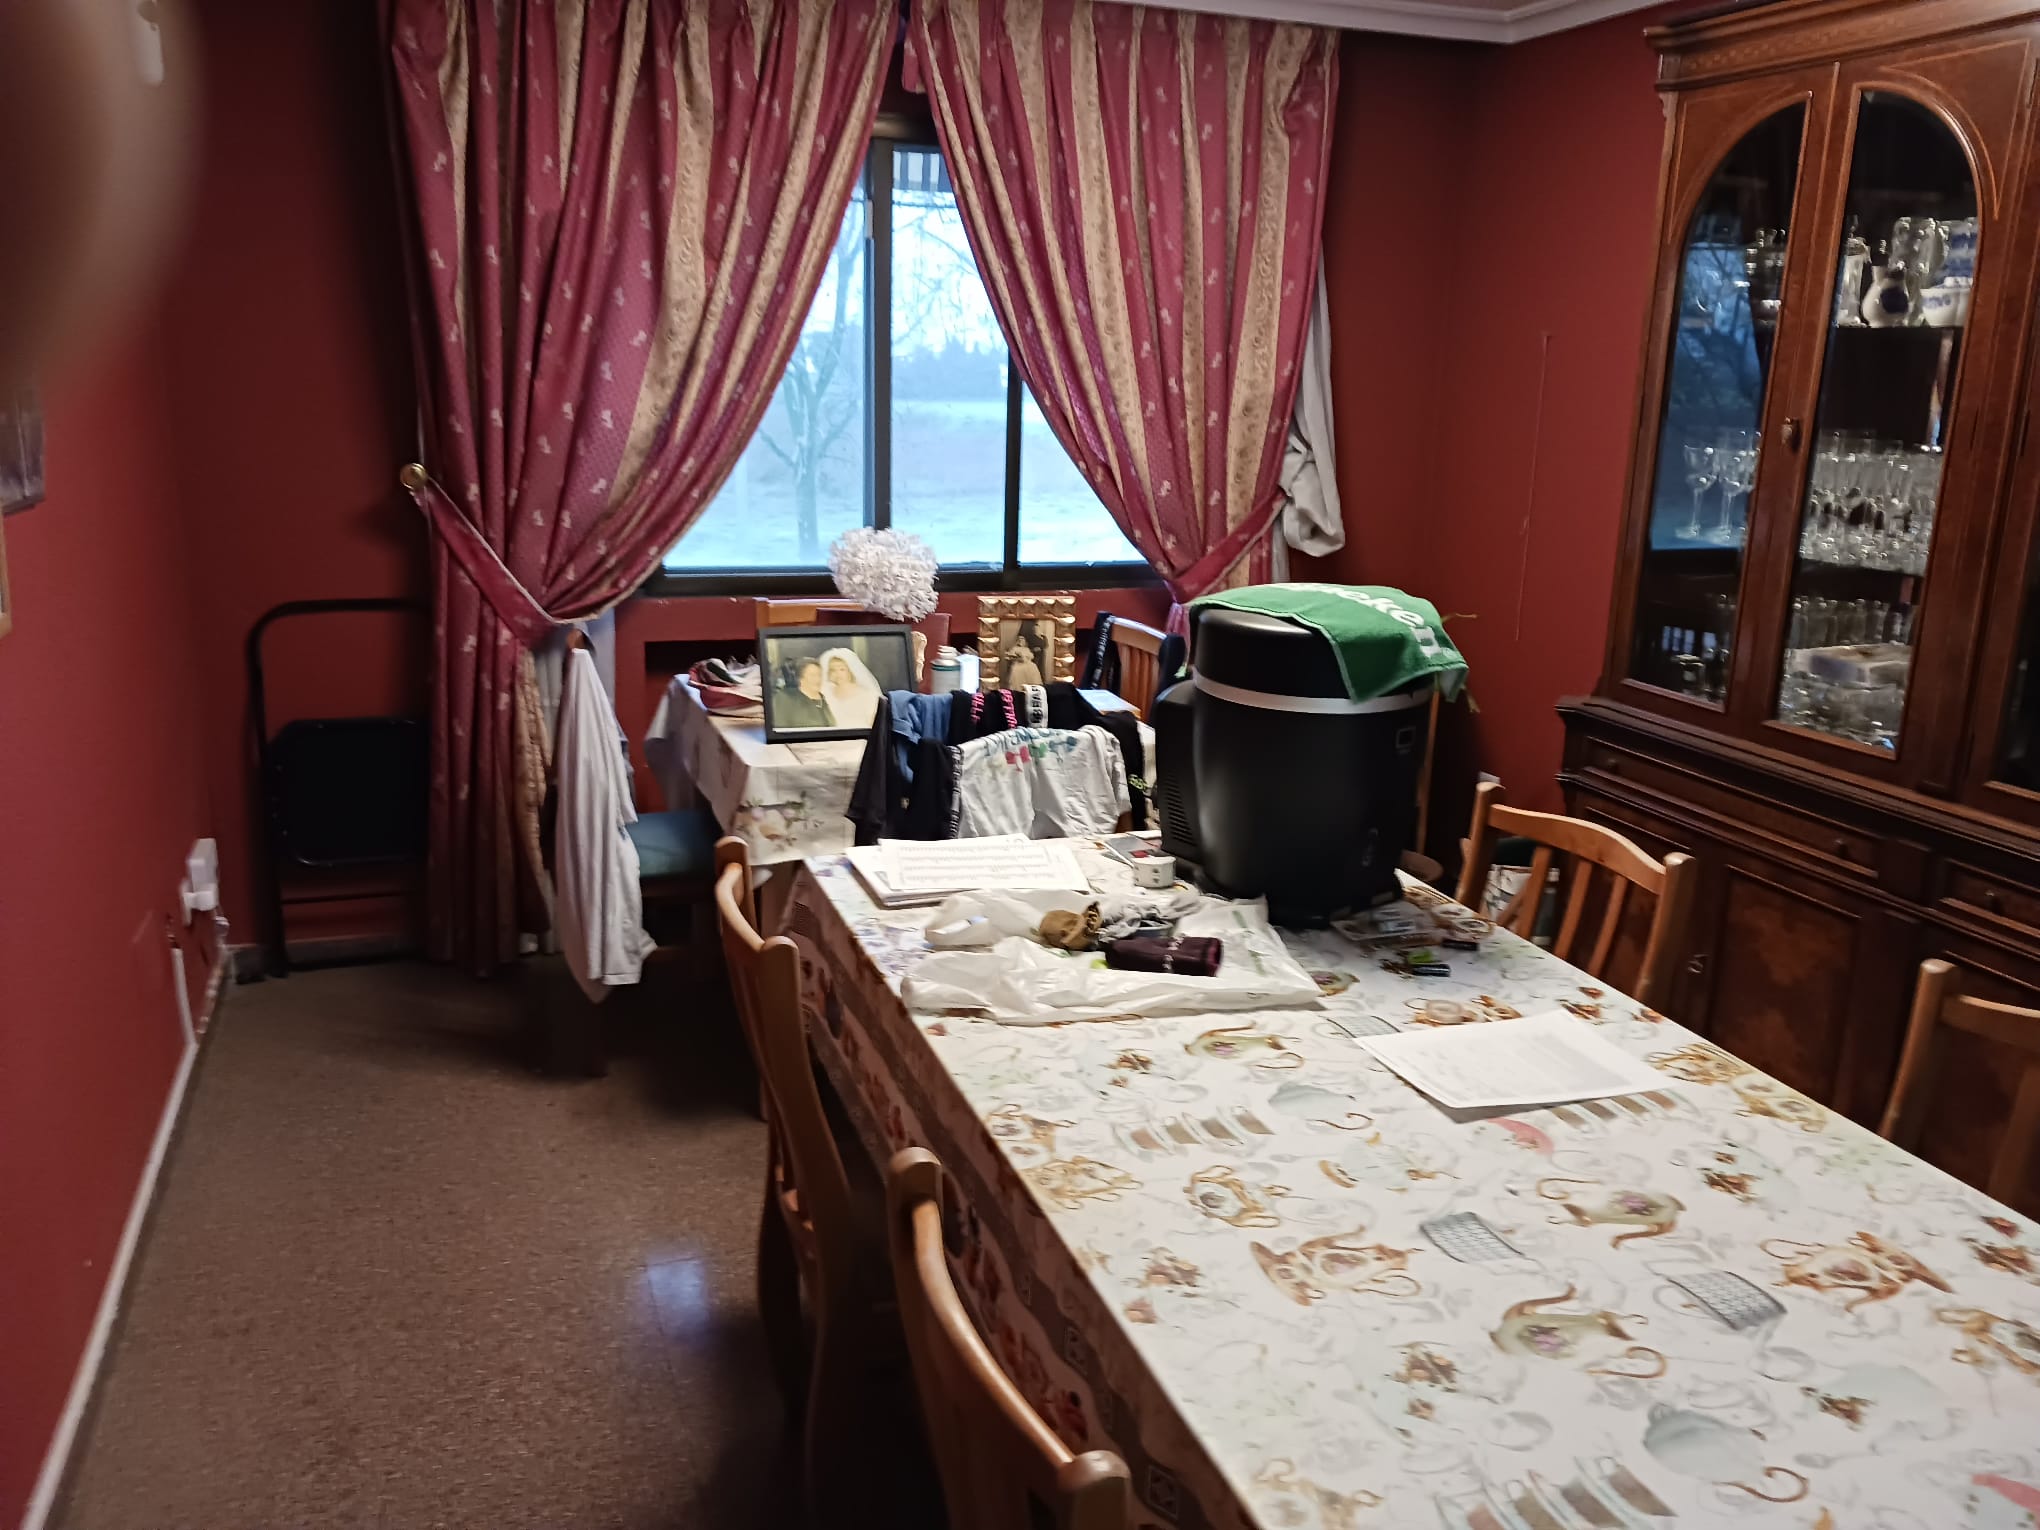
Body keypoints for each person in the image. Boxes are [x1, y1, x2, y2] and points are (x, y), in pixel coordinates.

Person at [819, 647, 884, 731]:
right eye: (833, 670)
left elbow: (875, 725)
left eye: (842, 669)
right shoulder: (825, 692)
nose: (837, 674)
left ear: (850, 671)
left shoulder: (868, 695)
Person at [774, 656, 837, 730]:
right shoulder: (785, 699)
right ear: (801, 678)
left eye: (819, 675)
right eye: (812, 675)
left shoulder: (826, 700)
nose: (817, 679)